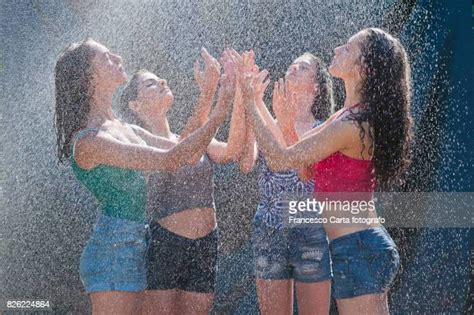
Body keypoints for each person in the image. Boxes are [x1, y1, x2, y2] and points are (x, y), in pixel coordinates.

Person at [54, 39, 233, 314]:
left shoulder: (122, 127)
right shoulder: (91, 141)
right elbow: (171, 160)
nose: (117, 56)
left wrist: (210, 94)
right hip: (112, 251)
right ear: (89, 77)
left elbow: (184, 150)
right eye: (106, 57)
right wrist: (218, 112)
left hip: (136, 244)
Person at [239, 28, 412, 314]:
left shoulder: (354, 123)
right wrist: (284, 124)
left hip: (359, 248)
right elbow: (305, 172)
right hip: (351, 247)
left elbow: (281, 159)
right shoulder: (343, 115)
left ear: (364, 68)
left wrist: (250, 101)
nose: (336, 50)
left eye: (347, 48)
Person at [118, 48, 242, 315]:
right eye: (151, 83)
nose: (163, 82)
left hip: (206, 243)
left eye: (161, 79)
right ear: (135, 106)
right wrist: (210, 93)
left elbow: (232, 151)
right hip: (166, 244)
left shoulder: (187, 136)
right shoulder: (136, 139)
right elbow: (183, 154)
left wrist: (241, 90)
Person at [237, 51, 335, 314]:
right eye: (292, 65)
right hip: (269, 228)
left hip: (309, 229)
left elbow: (306, 173)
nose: (293, 69)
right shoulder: (270, 119)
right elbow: (246, 162)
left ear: (316, 86)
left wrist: (258, 105)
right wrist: (248, 98)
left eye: (302, 67)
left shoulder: (326, 129)